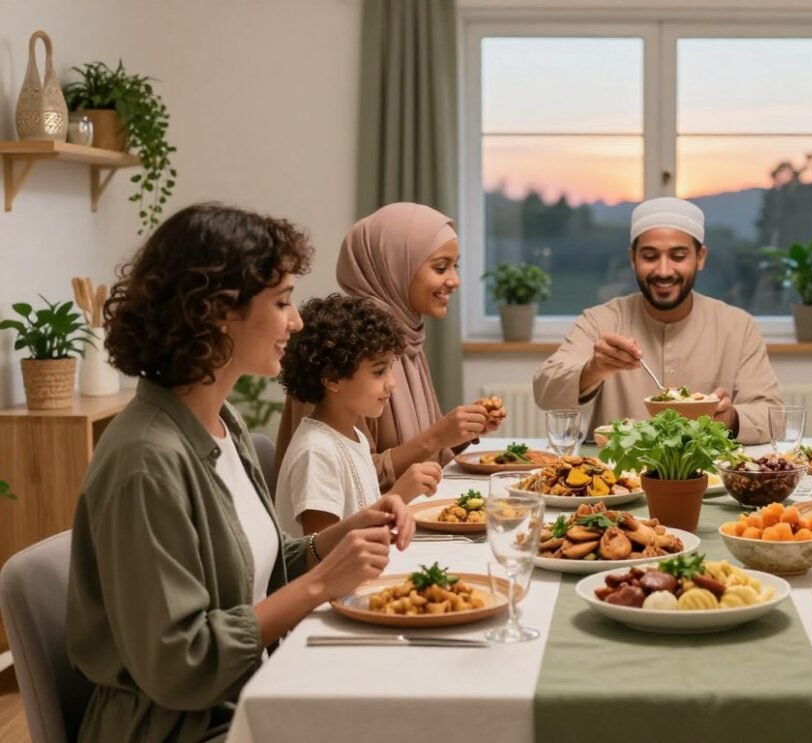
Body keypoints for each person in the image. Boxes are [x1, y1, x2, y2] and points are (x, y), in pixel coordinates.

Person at [67, 204, 415, 742]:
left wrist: (351, 529)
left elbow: (263, 568)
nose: (296, 321)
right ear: (216, 312)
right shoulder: (146, 462)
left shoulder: (221, 424)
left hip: (247, 698)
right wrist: (323, 582)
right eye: (282, 302)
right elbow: (180, 665)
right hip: (179, 728)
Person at [277, 203, 502, 489]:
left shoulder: (403, 336)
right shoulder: (347, 342)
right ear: (395, 266)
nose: (454, 281)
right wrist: (436, 436)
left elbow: (421, 454)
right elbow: (343, 479)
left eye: (454, 266)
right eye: (440, 267)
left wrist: (459, 433)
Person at [533, 197, 782, 444]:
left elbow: (773, 415)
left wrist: (731, 419)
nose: (663, 271)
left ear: (700, 257)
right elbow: (545, 391)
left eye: (678, 256)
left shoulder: (738, 327)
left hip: (705, 478)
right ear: (633, 259)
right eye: (650, 256)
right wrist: (593, 369)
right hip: (615, 480)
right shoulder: (599, 321)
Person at [276, 294, 444, 536]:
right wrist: (399, 494)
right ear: (333, 379)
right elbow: (322, 554)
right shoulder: (316, 453)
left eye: (389, 369)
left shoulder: (355, 437)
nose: (391, 384)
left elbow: (359, 518)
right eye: (378, 372)